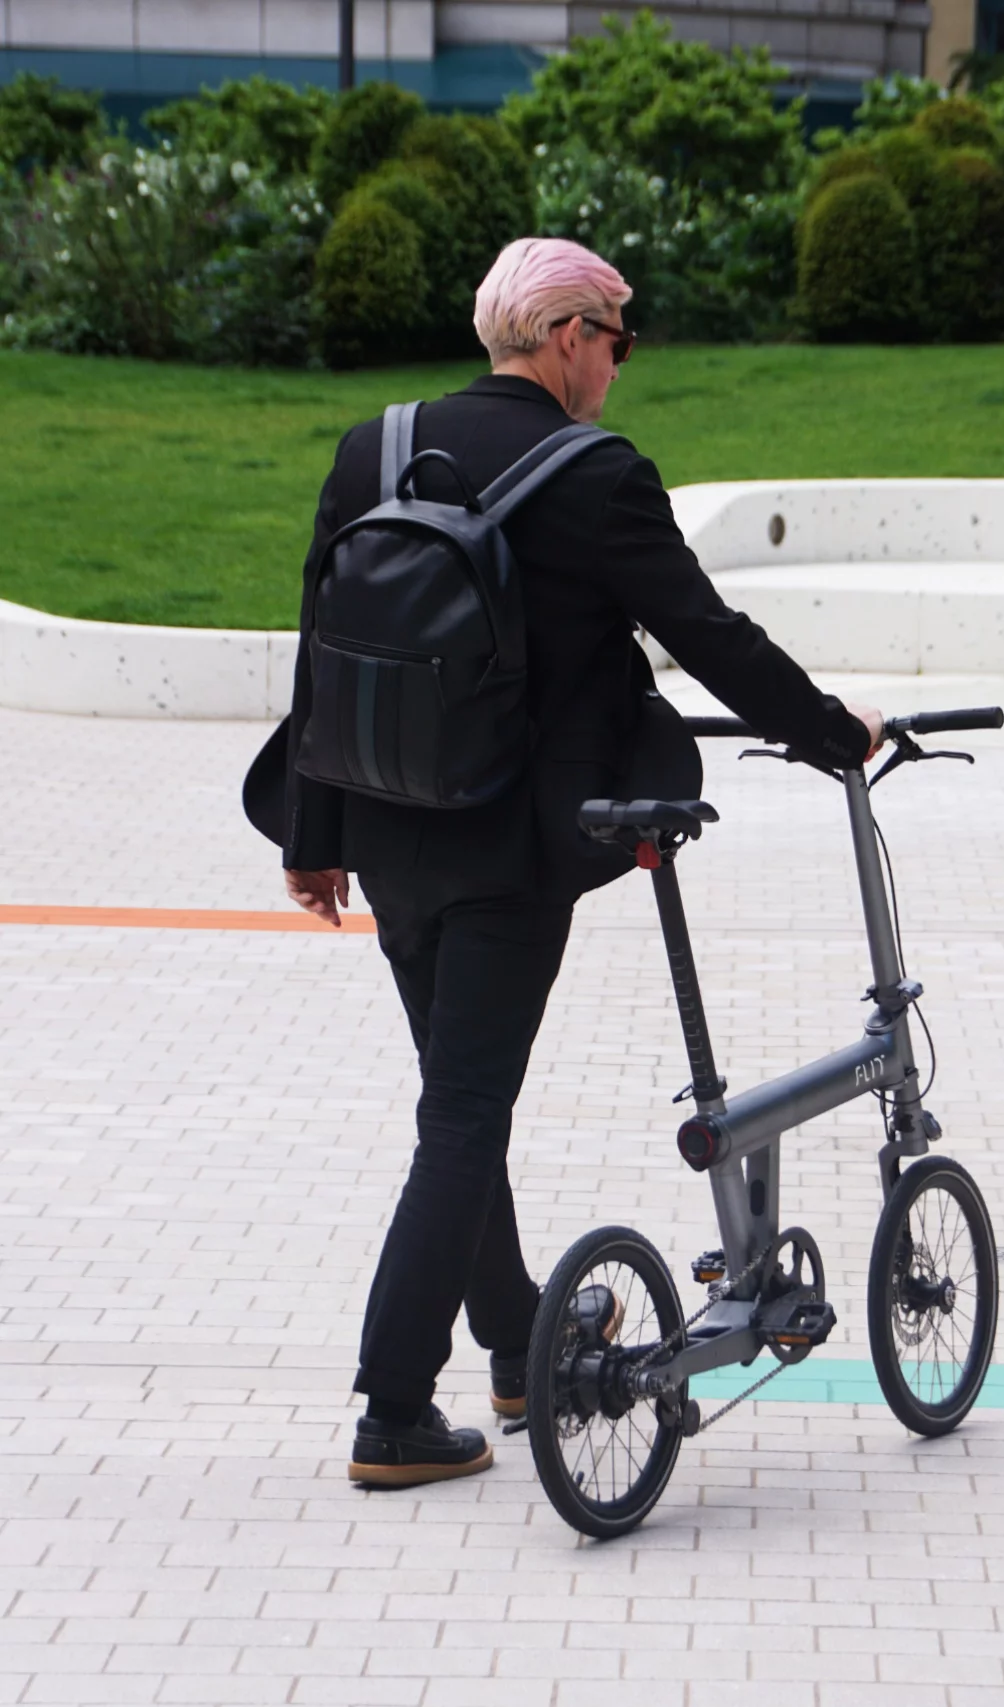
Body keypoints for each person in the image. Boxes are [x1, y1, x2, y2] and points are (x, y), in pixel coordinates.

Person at [281, 237, 882, 1488]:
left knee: (460, 1102)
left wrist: (313, 837)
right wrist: (835, 733)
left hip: (388, 837)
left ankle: (517, 1344)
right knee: (463, 1116)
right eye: (617, 339)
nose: (618, 364)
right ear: (567, 338)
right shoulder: (597, 476)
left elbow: (324, 652)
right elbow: (707, 634)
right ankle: (394, 1408)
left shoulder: (372, 448)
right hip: (510, 852)